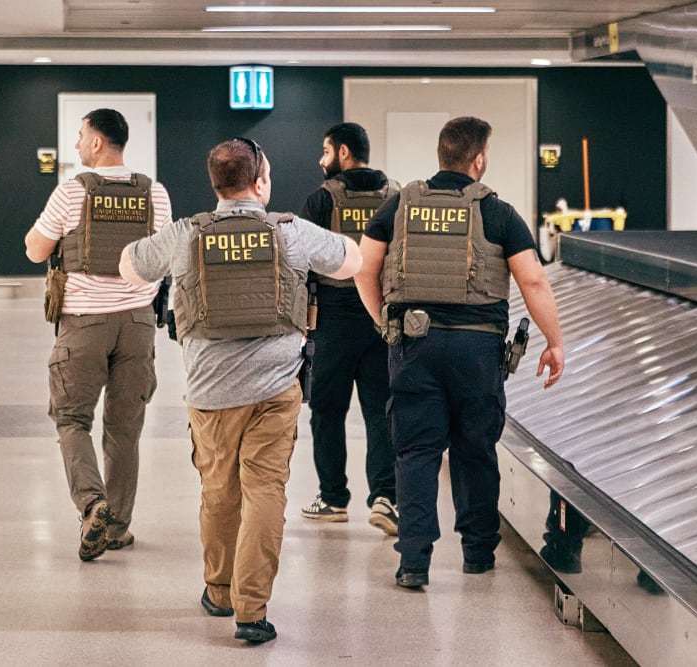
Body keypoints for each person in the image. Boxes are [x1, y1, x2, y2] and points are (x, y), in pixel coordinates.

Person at [119, 138, 361, 644]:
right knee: (266, 493)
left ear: (216, 185)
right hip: (276, 390)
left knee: (218, 493)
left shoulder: (187, 234)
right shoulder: (290, 233)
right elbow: (351, 261)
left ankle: (219, 589)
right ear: (261, 182)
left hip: (209, 394)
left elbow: (130, 266)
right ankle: (252, 611)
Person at [354, 116, 565, 589]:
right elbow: (532, 280)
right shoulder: (499, 212)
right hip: (477, 348)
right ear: (479, 159)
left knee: (415, 451)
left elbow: (363, 269)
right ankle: (476, 552)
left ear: (441, 154)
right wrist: (554, 342)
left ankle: (413, 562)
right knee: (475, 450)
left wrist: (382, 322)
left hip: (413, 344)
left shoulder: (399, 206)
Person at [24, 108, 172, 562]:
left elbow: (34, 250)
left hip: (84, 324)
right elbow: (162, 257)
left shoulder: (71, 193)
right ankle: (118, 527)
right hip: (139, 325)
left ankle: (92, 505)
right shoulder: (156, 194)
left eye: (80, 136)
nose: (75, 145)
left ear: (97, 143)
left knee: (71, 419)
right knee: (124, 430)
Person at [299, 122, 400, 534]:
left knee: (327, 412)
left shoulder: (322, 199)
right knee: (381, 411)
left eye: (325, 151)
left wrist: (303, 326)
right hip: (382, 320)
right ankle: (385, 497)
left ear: (342, 153)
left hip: (333, 322)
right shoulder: (395, 196)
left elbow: (301, 264)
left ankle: (333, 499)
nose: (321, 160)